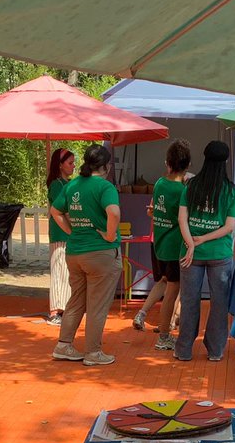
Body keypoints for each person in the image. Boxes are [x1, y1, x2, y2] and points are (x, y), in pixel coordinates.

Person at [49, 144, 122, 366]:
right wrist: (110, 236)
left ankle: (63, 345)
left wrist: (72, 231)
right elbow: (114, 212)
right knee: (97, 304)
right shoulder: (105, 187)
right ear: (106, 166)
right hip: (100, 253)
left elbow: (55, 211)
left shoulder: (72, 185)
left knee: (76, 300)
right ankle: (93, 352)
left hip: (75, 252)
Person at [176, 140, 235, 362]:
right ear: (225, 161)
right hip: (219, 255)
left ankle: (183, 349)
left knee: (189, 301)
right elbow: (229, 226)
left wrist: (192, 243)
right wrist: (205, 238)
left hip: (189, 254)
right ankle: (215, 350)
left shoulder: (191, 185)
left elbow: (182, 218)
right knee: (219, 303)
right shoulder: (230, 190)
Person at [134, 139, 191, 351]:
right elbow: (183, 218)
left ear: (168, 163)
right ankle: (164, 334)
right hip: (174, 247)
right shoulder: (182, 191)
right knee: (172, 292)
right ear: (187, 166)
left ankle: (144, 313)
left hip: (158, 244)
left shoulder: (159, 184)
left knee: (163, 283)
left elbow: (157, 210)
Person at [45, 147, 75, 326]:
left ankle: (64, 307)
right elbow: (59, 210)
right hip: (59, 232)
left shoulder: (68, 184)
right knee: (58, 269)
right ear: (60, 165)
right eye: (70, 163)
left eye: (73, 163)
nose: (73, 166)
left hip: (69, 231)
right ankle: (54, 311)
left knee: (67, 271)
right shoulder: (56, 185)